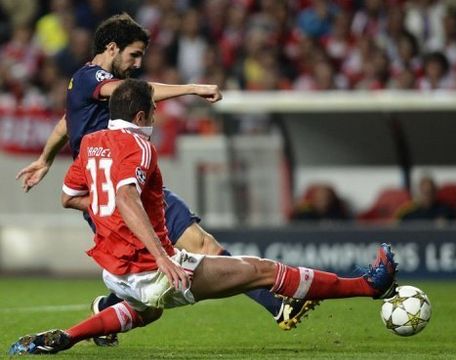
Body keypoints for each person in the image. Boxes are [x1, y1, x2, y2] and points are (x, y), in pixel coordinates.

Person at [9, 79, 398, 355]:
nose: (157, 116)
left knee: (146, 311)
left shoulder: (91, 144)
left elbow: (68, 196)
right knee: (262, 270)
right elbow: (127, 195)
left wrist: (103, 208)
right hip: (153, 268)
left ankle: (66, 337)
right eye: (155, 110)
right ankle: (369, 286)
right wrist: (162, 258)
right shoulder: (140, 147)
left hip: (115, 272)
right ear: (142, 113)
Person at [14, 13, 315, 345]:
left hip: (130, 187)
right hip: (115, 195)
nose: (138, 62)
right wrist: (191, 88)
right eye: (134, 54)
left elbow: (66, 122)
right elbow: (136, 91)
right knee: (159, 280)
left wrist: (45, 159)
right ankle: (277, 303)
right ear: (112, 48)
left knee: (191, 254)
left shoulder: (87, 87)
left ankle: (275, 306)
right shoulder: (91, 78)